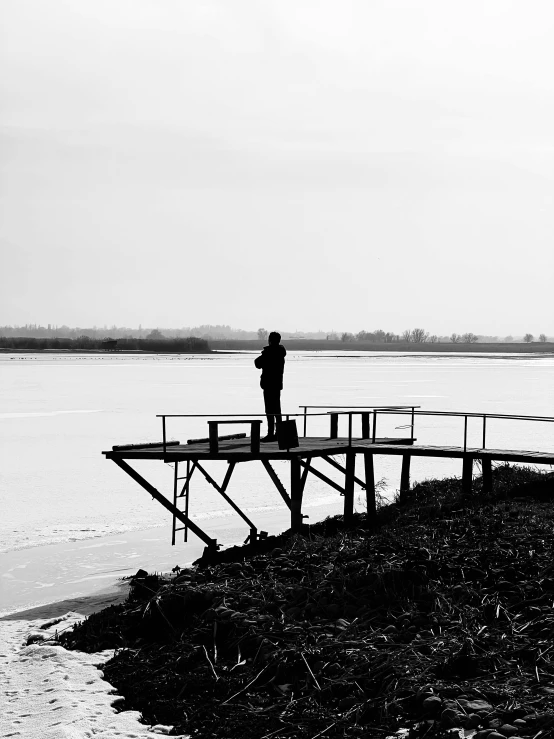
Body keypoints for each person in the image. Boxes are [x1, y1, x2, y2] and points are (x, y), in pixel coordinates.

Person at [254, 331, 286, 441]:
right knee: (277, 410)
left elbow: (257, 363)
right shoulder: (281, 353)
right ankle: (279, 433)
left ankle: (271, 433)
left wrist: (266, 352)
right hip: (277, 385)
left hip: (268, 385)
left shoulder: (269, 353)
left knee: (269, 410)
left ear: (270, 340)